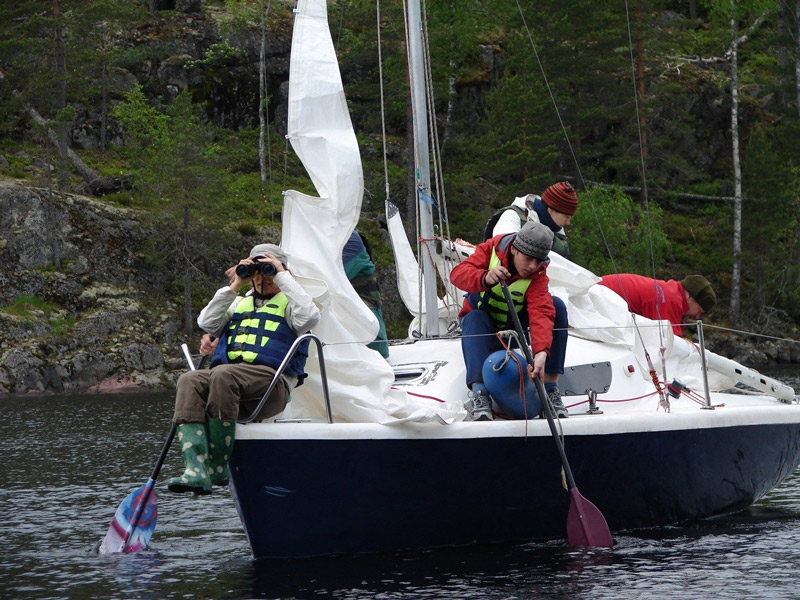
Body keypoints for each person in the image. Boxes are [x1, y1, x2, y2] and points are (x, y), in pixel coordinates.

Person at [167, 243, 320, 495]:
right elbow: (206, 322)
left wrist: (282, 274)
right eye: (257, 272)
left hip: (270, 388)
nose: (262, 278)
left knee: (222, 374)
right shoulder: (238, 304)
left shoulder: (292, 306)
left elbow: (310, 317)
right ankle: (195, 468)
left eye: (268, 271)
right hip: (230, 388)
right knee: (189, 380)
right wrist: (236, 283)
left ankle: (219, 464)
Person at [449, 221, 568, 421]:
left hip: (517, 332)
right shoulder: (490, 250)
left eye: (538, 261)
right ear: (514, 250)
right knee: (474, 317)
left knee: (556, 307)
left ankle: (550, 388)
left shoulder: (538, 275)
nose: (532, 266)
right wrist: (485, 277)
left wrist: (541, 353)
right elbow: (457, 275)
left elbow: (541, 313)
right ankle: (480, 394)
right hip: (485, 330)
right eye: (528, 259)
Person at [597, 273, 716, 336]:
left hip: (600, 292)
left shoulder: (671, 292)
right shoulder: (671, 300)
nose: (697, 317)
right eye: (699, 310)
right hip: (597, 297)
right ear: (690, 296)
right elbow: (668, 340)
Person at [485, 181, 579, 259]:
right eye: (566, 216)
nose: (568, 222)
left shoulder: (557, 231)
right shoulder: (512, 216)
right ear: (550, 209)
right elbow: (505, 251)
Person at [342, 230, 389, 358]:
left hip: (368, 334)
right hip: (356, 334)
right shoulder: (341, 235)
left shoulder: (349, 240)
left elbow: (335, 277)